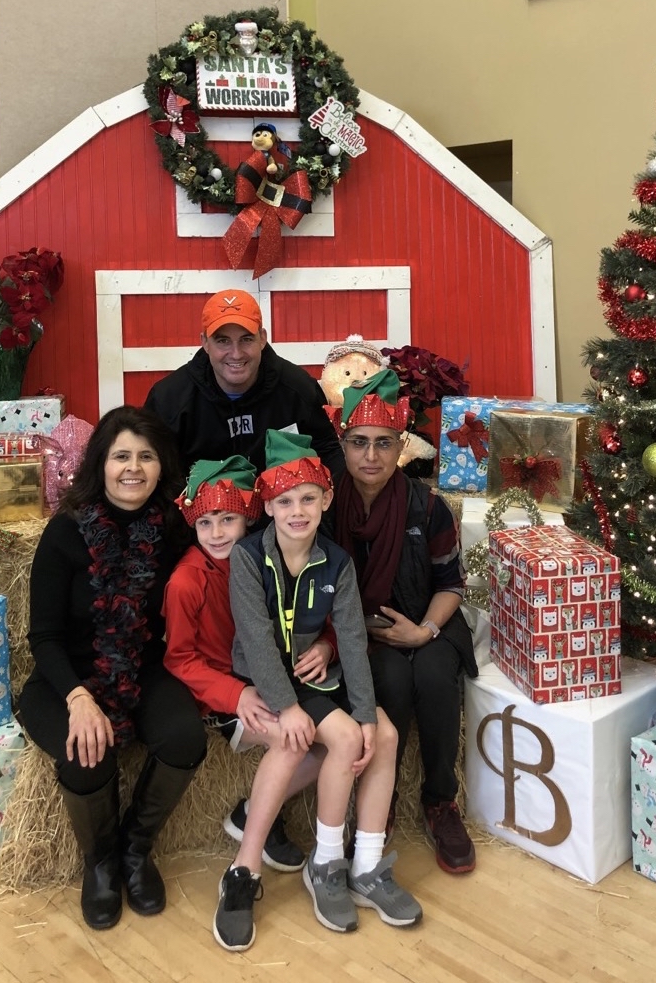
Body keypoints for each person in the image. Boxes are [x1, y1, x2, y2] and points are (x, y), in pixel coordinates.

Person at [228, 430, 421, 945]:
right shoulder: (248, 560)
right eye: (285, 500)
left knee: (382, 735)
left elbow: (353, 643)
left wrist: (365, 713)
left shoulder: (337, 561)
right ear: (267, 505)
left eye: (308, 498)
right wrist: (287, 706)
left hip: (319, 676)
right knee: (343, 739)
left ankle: (369, 865)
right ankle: (327, 862)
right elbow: (257, 642)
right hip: (272, 682)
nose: (297, 510)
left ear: (326, 499)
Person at [18, 406, 206, 931]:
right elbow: (45, 637)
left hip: (140, 668)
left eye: (146, 457)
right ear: (100, 463)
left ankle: (134, 850)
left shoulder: (172, 530)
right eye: (121, 455)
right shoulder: (65, 533)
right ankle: (99, 862)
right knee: (86, 756)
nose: (133, 468)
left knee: (186, 737)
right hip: (65, 677)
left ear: (160, 465)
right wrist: (78, 698)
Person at [162, 455, 329, 951]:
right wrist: (236, 694)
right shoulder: (186, 581)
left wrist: (327, 647)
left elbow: (317, 614)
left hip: (280, 682)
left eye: (228, 519)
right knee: (300, 740)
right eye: (206, 522)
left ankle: (254, 809)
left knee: (341, 742)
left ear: (250, 517)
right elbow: (180, 659)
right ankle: (243, 869)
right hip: (228, 698)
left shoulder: (269, 558)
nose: (217, 532)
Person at [328, 369, 479, 874]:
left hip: (425, 622)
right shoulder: (325, 507)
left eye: (383, 443)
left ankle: (440, 801)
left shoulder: (427, 507)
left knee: (435, 674)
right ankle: (381, 801)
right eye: (359, 443)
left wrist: (424, 631)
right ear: (344, 445)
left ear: (402, 448)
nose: (371, 456)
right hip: (362, 633)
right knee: (388, 678)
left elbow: (451, 584)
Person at [144, 288, 344, 481]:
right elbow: (153, 470)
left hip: (281, 513)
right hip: (199, 514)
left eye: (246, 339)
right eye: (223, 341)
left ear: (262, 338)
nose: (236, 353)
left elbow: (328, 454)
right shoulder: (168, 400)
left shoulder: (299, 389)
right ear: (205, 342)